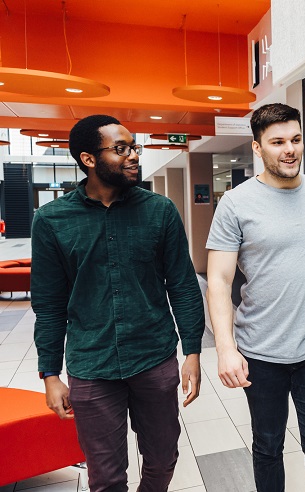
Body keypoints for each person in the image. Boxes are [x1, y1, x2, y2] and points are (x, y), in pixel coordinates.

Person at [32, 114, 205, 492]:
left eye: (134, 147)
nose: (133, 156)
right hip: (91, 366)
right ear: (89, 159)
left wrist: (192, 351)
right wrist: (50, 374)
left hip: (154, 358)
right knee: (106, 477)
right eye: (121, 149)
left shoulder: (160, 211)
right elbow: (48, 304)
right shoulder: (51, 221)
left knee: (162, 460)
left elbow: (183, 285)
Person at [206, 103, 305, 492]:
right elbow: (219, 279)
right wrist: (225, 348)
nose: (290, 149)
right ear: (258, 148)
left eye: (296, 139)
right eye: (278, 142)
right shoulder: (235, 203)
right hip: (260, 350)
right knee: (268, 447)